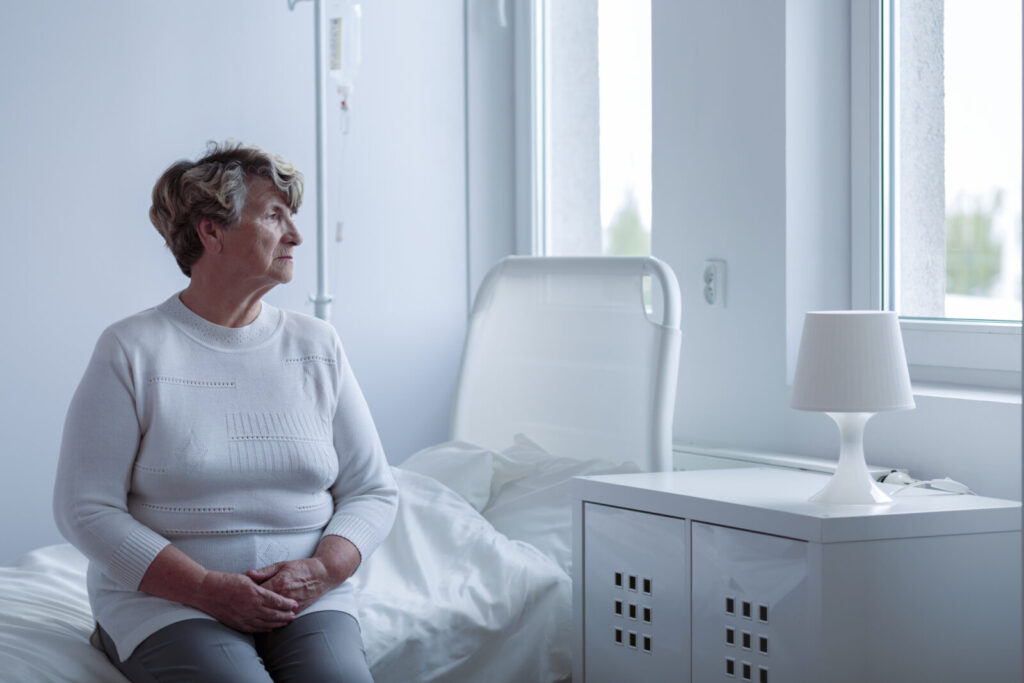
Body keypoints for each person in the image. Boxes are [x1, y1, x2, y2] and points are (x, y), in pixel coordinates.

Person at [53, 141, 398, 682]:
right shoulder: (132, 348)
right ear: (211, 231)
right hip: (168, 604)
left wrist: (323, 570)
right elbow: (85, 509)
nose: (296, 236)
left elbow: (373, 491)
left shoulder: (318, 344)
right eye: (273, 216)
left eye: (293, 217)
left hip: (305, 601)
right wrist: (205, 589)